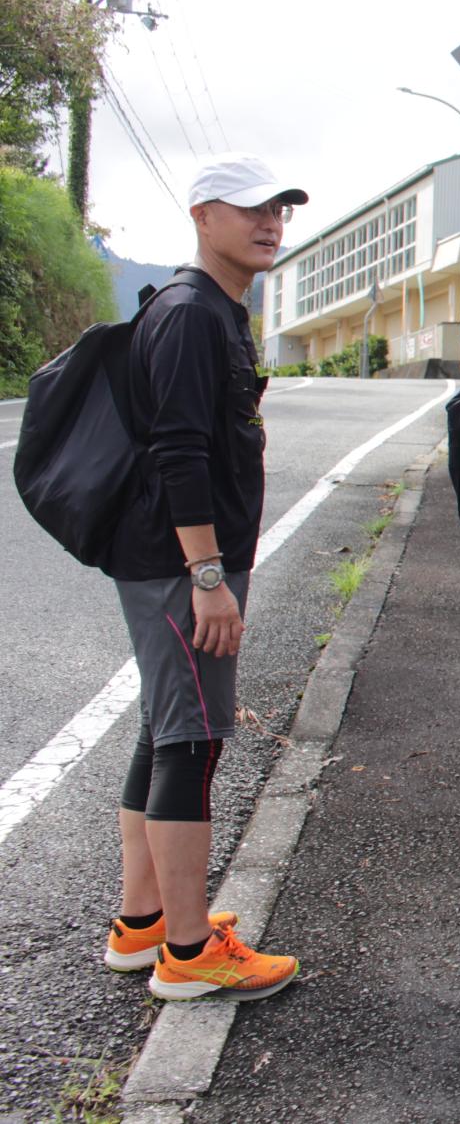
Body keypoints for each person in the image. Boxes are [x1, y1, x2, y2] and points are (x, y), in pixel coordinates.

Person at [100, 153, 300, 1000]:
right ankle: (186, 952)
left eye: (279, 211)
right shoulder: (190, 315)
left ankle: (143, 921)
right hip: (183, 566)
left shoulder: (214, 310)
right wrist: (208, 575)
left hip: (179, 563)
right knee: (192, 738)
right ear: (202, 216)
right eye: (251, 209)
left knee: (165, 727)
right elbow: (177, 450)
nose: (270, 223)